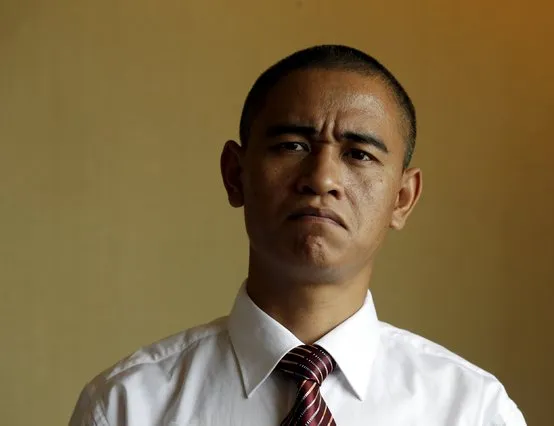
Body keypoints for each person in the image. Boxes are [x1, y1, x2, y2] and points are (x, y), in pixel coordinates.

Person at [69, 44, 526, 426]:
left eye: (360, 154)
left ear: (402, 198)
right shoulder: (128, 407)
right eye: (293, 146)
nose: (322, 177)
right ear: (235, 175)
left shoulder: (473, 410)